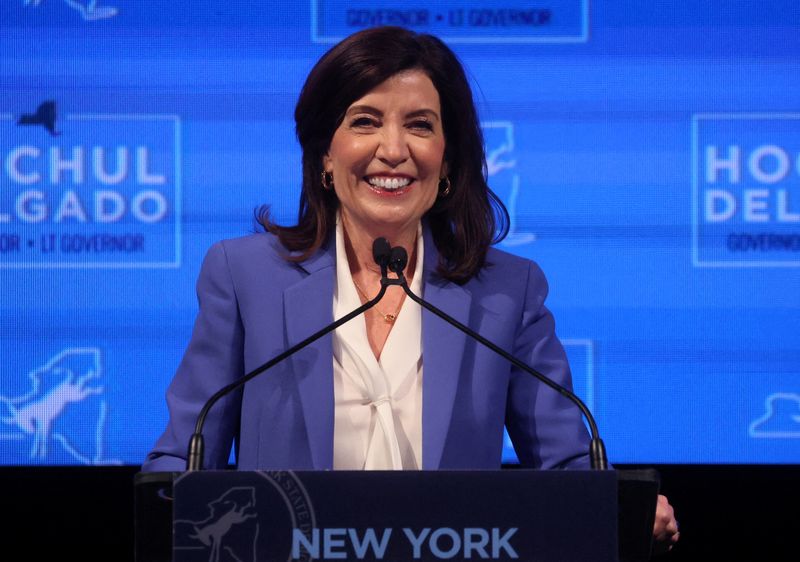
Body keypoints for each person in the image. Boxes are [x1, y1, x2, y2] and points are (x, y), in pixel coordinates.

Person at [142, 25, 679, 552]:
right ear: (325, 154)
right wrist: (167, 509)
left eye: (420, 125)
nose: (393, 150)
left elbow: (566, 463)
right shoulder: (244, 274)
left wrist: (616, 505)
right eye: (365, 121)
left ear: (447, 159)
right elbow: (186, 455)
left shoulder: (507, 292)